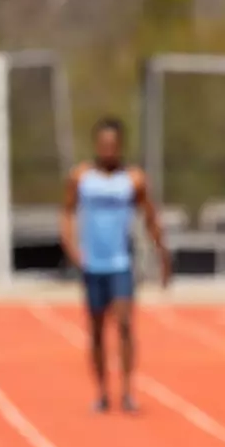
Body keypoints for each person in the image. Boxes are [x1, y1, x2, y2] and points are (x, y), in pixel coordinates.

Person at [59, 117, 172, 412]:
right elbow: (67, 212)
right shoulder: (81, 177)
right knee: (96, 330)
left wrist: (163, 255)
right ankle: (101, 392)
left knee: (124, 324)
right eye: (103, 144)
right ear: (96, 145)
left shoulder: (133, 180)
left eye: (113, 144)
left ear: (120, 146)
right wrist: (72, 248)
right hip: (92, 264)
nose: (108, 149)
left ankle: (127, 391)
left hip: (121, 263)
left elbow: (151, 218)